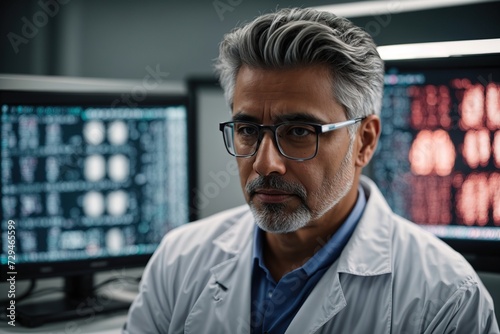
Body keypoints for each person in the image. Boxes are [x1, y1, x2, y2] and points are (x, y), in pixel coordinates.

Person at [123, 7, 499, 334]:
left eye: (300, 132)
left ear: (364, 141)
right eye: (248, 130)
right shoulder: (179, 261)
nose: (265, 163)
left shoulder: (448, 299)